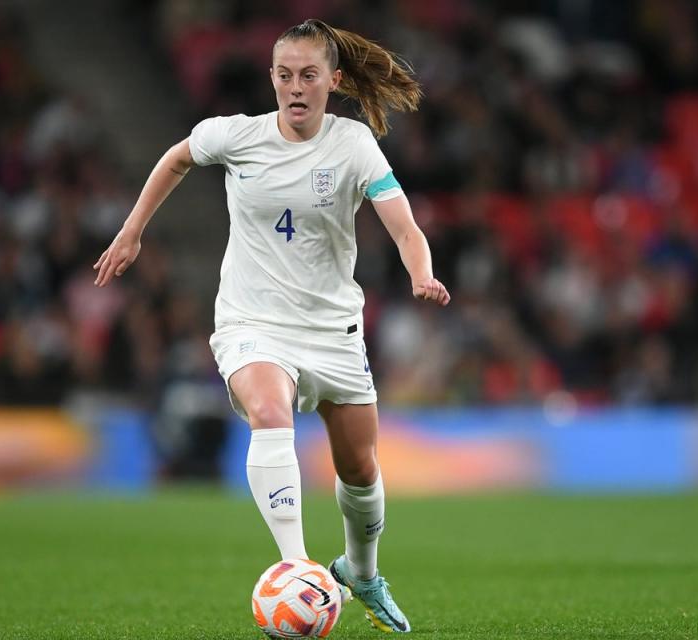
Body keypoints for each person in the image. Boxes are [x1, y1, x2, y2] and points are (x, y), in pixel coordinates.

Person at [94, 19, 450, 633]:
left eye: (309, 75)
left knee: (360, 468)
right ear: (272, 79)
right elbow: (176, 158)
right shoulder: (236, 137)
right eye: (284, 75)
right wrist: (132, 231)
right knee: (269, 411)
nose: (295, 86)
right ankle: (297, 567)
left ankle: (361, 572)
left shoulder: (354, 144)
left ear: (334, 81)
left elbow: (403, 224)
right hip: (252, 319)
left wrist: (421, 272)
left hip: (332, 328)